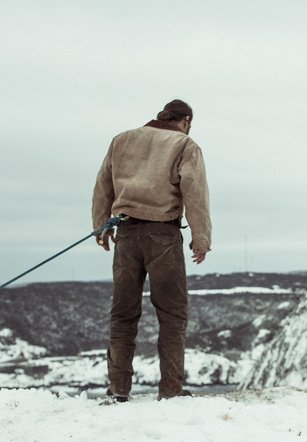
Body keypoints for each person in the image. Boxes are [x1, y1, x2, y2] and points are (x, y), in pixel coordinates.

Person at [92, 99, 212, 402]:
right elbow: (194, 191)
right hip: (164, 237)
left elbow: (103, 185)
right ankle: (171, 391)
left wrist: (100, 225)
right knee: (172, 316)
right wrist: (201, 237)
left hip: (127, 235)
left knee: (122, 316)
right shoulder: (185, 145)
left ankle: (118, 389)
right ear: (186, 120)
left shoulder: (122, 140)